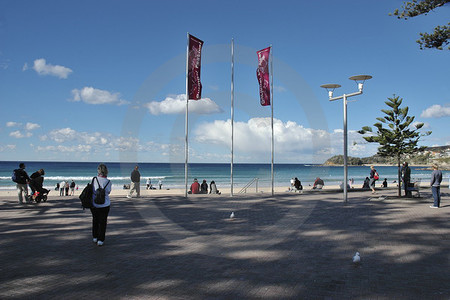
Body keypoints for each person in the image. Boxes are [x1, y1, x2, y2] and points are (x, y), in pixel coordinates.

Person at [90, 163, 112, 246]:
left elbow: (92, 190)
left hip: (94, 203)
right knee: (103, 222)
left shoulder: (94, 179)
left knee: (95, 220)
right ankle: (101, 239)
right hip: (105, 204)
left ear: (98, 170)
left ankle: (95, 237)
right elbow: (108, 192)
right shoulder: (108, 181)